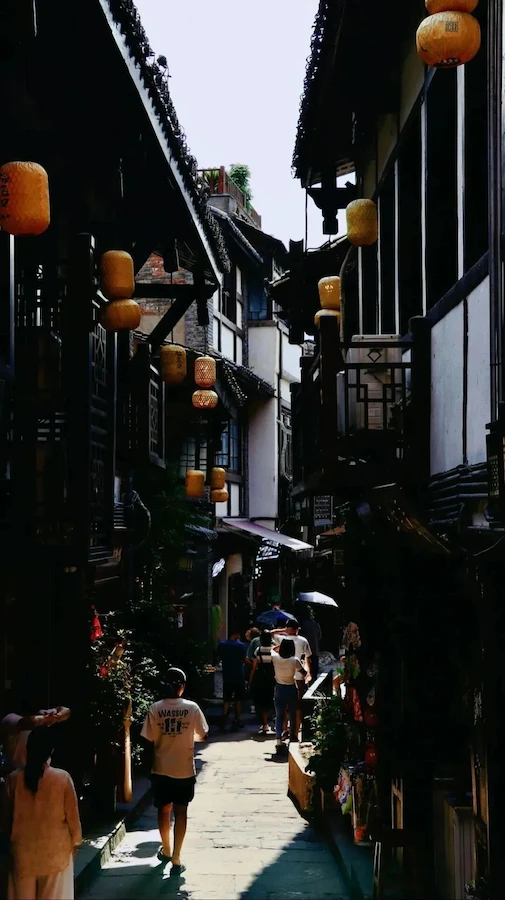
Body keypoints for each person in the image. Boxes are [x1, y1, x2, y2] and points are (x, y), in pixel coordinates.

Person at [0, 727, 82, 900]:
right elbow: (73, 820)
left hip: (21, 855)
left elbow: (5, 821)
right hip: (56, 854)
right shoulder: (62, 778)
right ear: (51, 750)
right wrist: (75, 843)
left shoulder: (13, 779)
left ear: (28, 749)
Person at [141, 668, 208, 875]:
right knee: (181, 812)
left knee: (163, 810)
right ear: (183, 686)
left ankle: (167, 849)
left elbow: (148, 738)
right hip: (184, 769)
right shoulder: (192, 708)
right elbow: (203, 734)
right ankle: (177, 857)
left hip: (161, 768)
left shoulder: (155, 708)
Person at [0, 705, 71, 775]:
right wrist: (47, 719)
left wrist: (57, 716)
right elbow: (25, 722)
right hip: (14, 774)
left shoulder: (43, 724)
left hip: (40, 774)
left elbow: (66, 711)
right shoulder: (10, 719)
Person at [272, 619, 312, 734]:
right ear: (296, 629)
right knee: (297, 704)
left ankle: (284, 729)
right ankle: (296, 730)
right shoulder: (303, 640)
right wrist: (308, 673)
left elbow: (271, 633)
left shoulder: (281, 639)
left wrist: (284, 630)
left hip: (283, 675)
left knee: (282, 706)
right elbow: (308, 659)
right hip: (299, 675)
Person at [271, 639, 306, 751]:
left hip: (279, 688)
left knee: (279, 715)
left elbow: (272, 649)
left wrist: (280, 645)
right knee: (292, 714)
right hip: (291, 687)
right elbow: (304, 673)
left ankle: (278, 740)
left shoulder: (275, 658)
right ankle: (292, 738)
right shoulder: (294, 660)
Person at [216, 629, 247, 731]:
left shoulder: (222, 644)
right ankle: (237, 718)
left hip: (227, 675)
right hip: (238, 675)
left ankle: (224, 717)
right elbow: (244, 659)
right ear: (236, 634)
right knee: (239, 698)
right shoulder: (240, 645)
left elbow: (218, 657)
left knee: (227, 699)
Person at [248, 630, 275, 735]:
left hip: (261, 678)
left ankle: (265, 725)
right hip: (273, 677)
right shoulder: (274, 650)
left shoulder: (258, 650)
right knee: (273, 700)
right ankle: (277, 723)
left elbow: (254, 667)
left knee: (262, 701)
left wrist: (250, 680)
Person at [299, 606, 322, 680]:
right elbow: (319, 636)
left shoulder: (302, 625)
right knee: (314, 670)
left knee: (306, 669)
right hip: (315, 650)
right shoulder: (316, 624)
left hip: (305, 651)